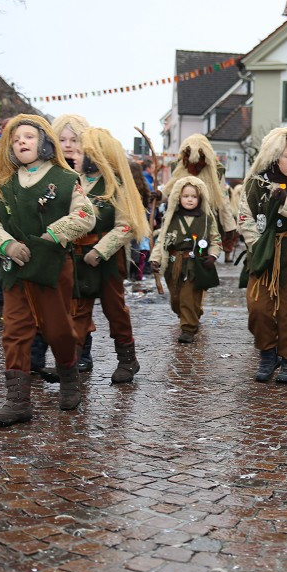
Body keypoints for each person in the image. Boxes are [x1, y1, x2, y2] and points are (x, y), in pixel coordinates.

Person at [0, 114, 95, 425]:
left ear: (44, 142)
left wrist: (52, 235)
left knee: (58, 330)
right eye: (16, 139)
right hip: (15, 269)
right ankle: (17, 402)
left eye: (29, 137)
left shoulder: (66, 178)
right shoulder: (2, 185)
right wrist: (7, 245)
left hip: (53, 268)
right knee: (14, 332)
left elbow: (85, 215)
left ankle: (69, 379)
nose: (22, 142)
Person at [67, 125, 149, 381]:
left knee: (114, 310)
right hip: (78, 257)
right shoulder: (72, 182)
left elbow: (126, 225)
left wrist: (100, 250)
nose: (74, 156)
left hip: (108, 260)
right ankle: (70, 363)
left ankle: (127, 360)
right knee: (78, 310)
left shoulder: (116, 186)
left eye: (81, 152)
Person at [238, 127, 287, 384]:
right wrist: (258, 246)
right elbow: (244, 217)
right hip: (264, 254)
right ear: (274, 156)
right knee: (258, 308)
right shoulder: (255, 184)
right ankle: (267, 354)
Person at [150, 176, 221, 343]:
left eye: (194, 196)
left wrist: (212, 255)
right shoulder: (171, 218)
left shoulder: (206, 219)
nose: (190, 199)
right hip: (174, 264)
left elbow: (215, 239)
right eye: (186, 196)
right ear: (178, 197)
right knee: (176, 299)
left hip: (195, 264)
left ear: (200, 198)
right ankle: (191, 314)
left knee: (188, 295)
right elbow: (161, 241)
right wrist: (156, 259)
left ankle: (188, 328)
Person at [167, 134, 238, 257]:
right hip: (180, 218)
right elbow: (170, 189)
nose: (195, 167)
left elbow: (222, 198)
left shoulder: (216, 170)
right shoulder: (178, 167)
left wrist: (229, 225)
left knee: (202, 253)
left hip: (205, 220)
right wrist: (159, 196)